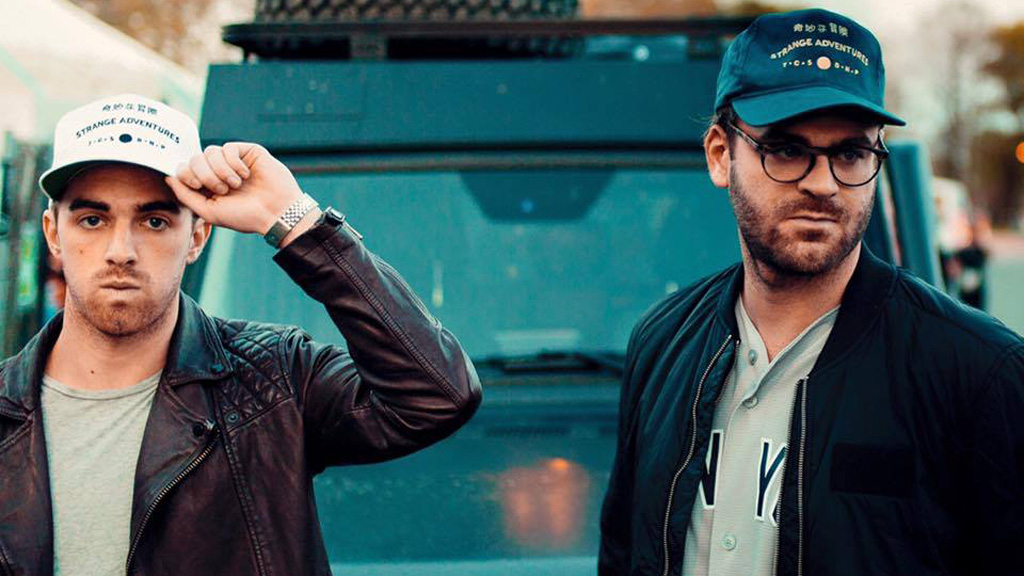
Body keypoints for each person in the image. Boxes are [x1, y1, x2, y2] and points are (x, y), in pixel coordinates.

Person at [599, 9, 1024, 576]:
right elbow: (623, 554)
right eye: (786, 149)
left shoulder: (978, 372)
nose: (823, 184)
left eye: (850, 153)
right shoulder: (662, 344)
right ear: (721, 154)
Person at [0, 94, 481, 576]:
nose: (121, 250)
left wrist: (296, 220)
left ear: (196, 237)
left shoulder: (274, 381)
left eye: (154, 221)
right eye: (93, 220)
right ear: (54, 234)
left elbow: (437, 395)